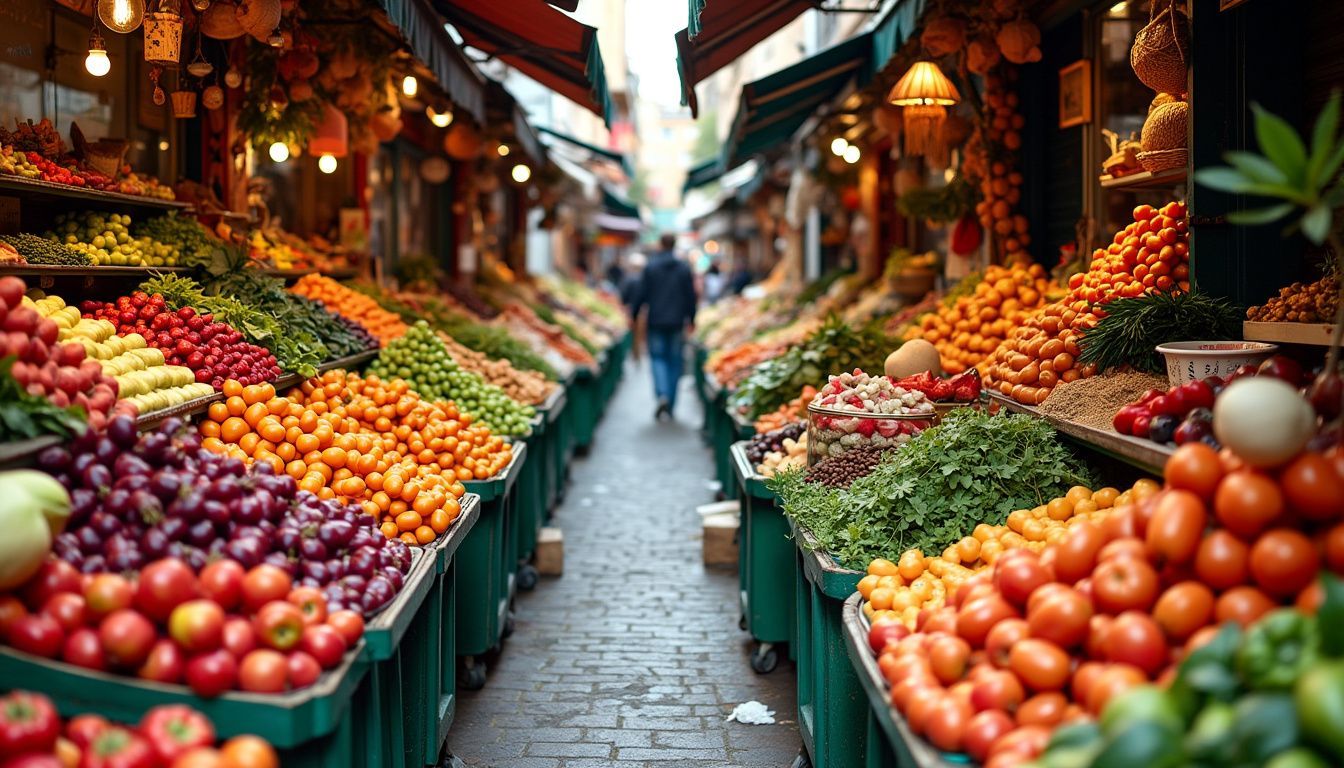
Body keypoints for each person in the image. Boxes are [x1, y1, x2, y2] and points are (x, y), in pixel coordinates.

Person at [632, 234, 697, 421]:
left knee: (657, 359)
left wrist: (634, 314)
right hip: (677, 322)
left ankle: (662, 394)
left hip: (656, 321)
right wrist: (692, 318)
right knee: (675, 361)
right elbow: (690, 296)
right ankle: (671, 401)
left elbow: (641, 293)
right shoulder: (683, 268)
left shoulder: (651, 267)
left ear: (661, 244)